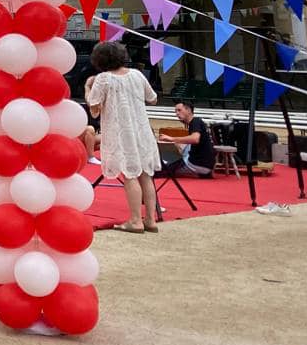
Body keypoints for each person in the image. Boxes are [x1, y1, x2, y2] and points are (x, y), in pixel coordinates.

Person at [84, 41, 163, 233]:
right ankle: (150, 219)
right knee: (146, 175)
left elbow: (93, 106)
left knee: (130, 175)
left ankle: (135, 220)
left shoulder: (103, 79)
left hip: (121, 132)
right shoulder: (136, 74)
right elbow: (153, 98)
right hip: (142, 130)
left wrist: (88, 87)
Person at [159, 99, 215, 178]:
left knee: (160, 170)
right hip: (206, 164)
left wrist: (171, 139)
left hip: (197, 164)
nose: (177, 113)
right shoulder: (196, 123)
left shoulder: (195, 121)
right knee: (180, 147)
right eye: (175, 111)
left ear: (188, 110)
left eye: (179, 110)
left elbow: (195, 139)